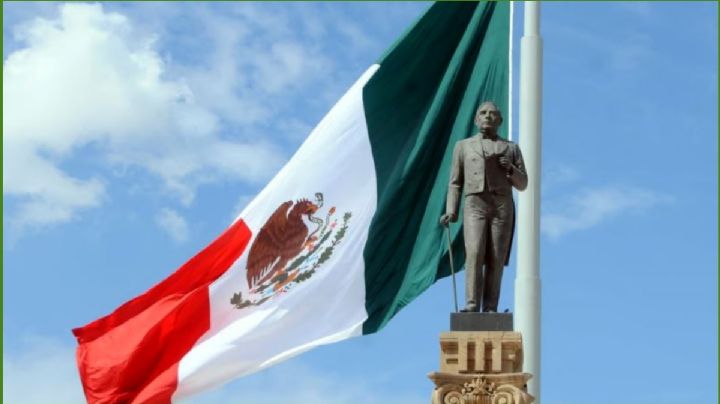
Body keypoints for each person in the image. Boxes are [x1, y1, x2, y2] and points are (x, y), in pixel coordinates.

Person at [440, 101, 527, 313]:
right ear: (476, 119)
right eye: (483, 113)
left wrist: (511, 170)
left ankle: (490, 307)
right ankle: (471, 304)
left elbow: (523, 184)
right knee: (475, 252)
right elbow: (455, 182)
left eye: (492, 114)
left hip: (501, 205)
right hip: (475, 203)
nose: (487, 116)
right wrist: (451, 210)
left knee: (496, 257)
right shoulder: (463, 146)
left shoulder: (511, 147)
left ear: (500, 120)